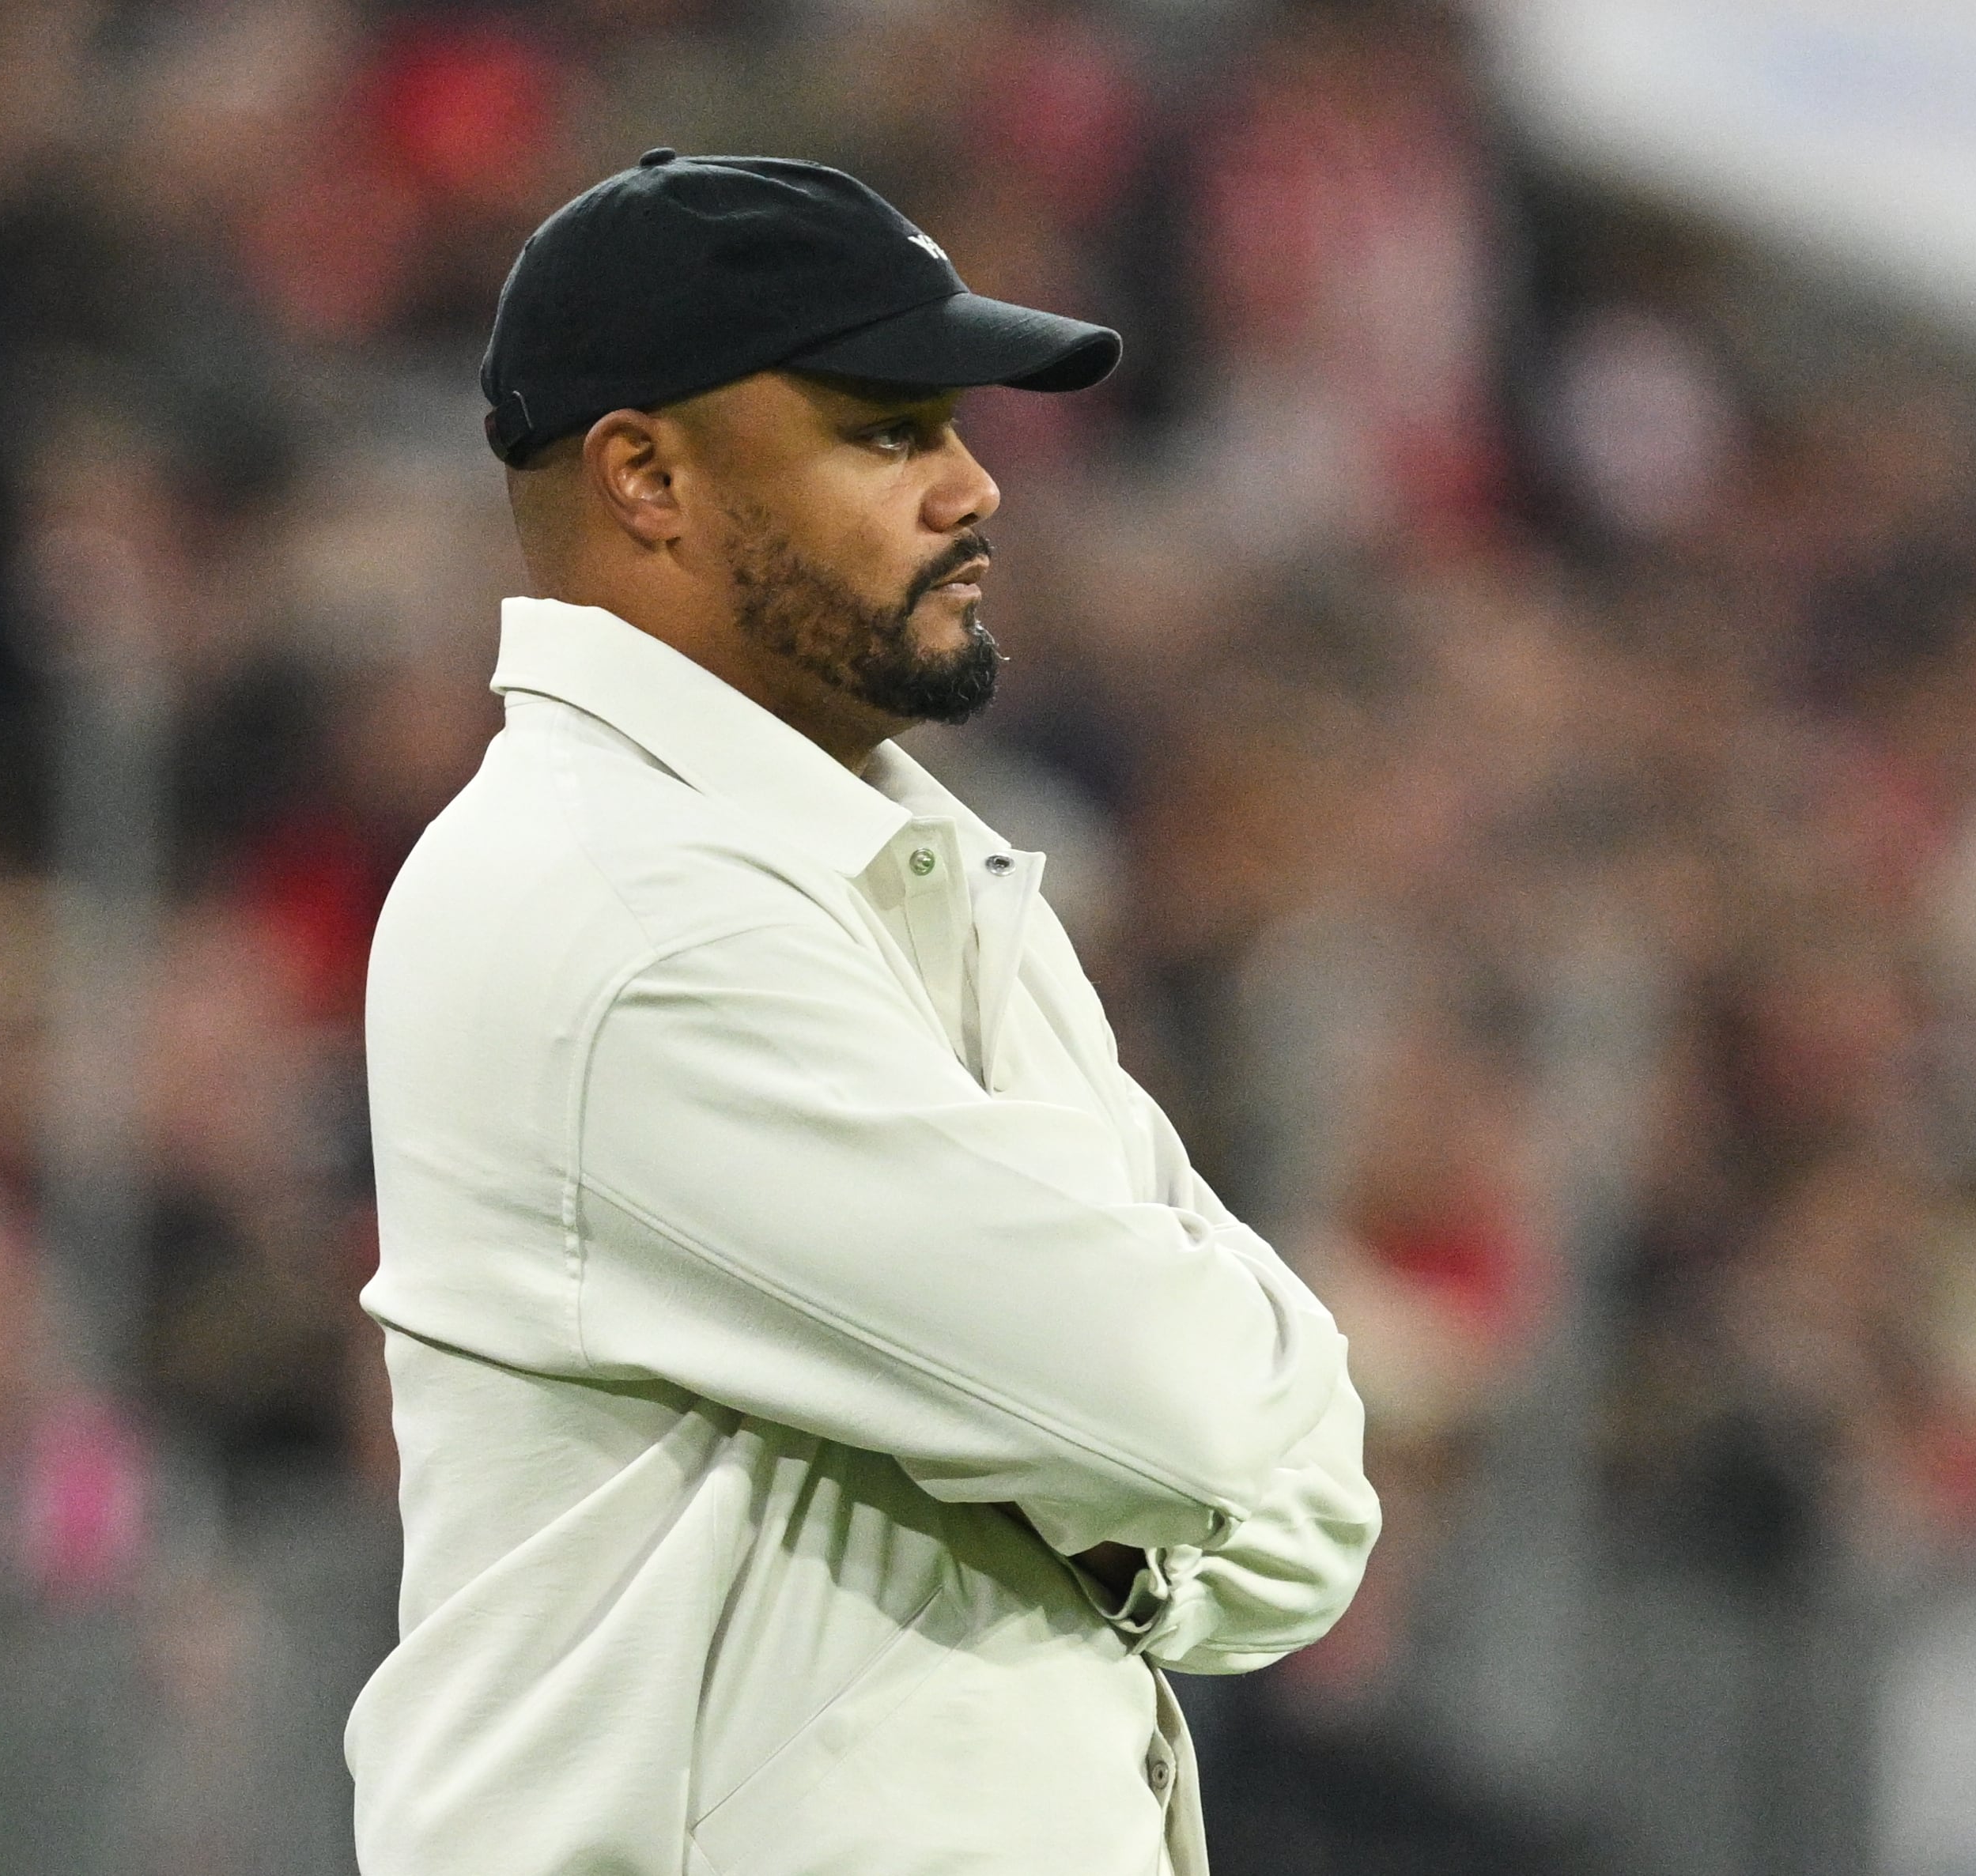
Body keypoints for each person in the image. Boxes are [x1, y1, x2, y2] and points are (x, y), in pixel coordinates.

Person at [347, 152, 1377, 1876]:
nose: (975, 487)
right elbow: (1198, 1413)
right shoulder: (625, 910)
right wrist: (1130, 1483)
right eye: (886, 428)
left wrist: (1105, 1481)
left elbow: (1309, 1513)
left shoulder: (911, 867)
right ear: (647, 473)